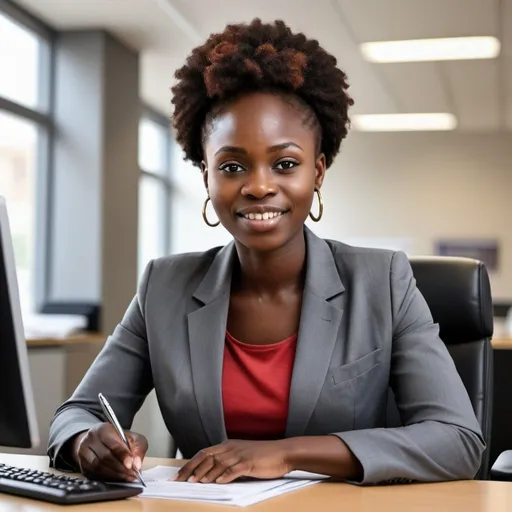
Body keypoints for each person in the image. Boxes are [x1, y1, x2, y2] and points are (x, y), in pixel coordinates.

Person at [48, 18, 484, 486]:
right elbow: (78, 413)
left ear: (316, 172)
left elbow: (457, 439)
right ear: (207, 178)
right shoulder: (164, 287)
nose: (258, 186)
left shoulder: (383, 282)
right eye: (232, 165)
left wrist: (286, 455)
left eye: (285, 164)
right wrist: (88, 440)